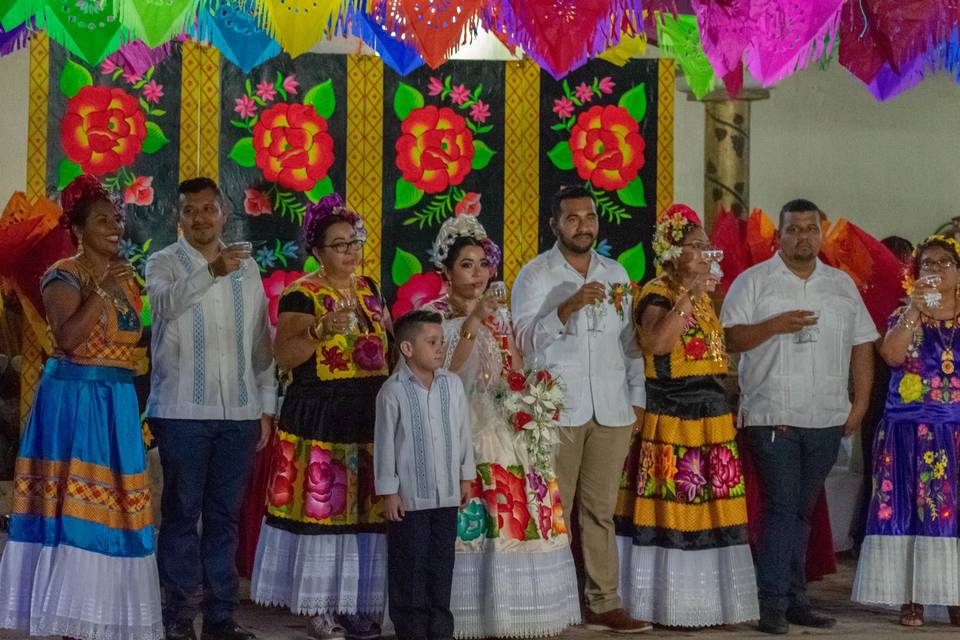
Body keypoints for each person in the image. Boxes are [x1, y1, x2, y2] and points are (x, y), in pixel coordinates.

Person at [0, 175, 162, 640]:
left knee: (117, 511)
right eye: (102, 220)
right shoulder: (63, 275)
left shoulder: (124, 275)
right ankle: (68, 615)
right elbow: (67, 339)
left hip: (114, 401)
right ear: (76, 229)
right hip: (75, 399)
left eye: (117, 219)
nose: (114, 227)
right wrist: (105, 291)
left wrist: (117, 287)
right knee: (75, 508)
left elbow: (128, 342)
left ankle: (103, 613)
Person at [721, 198, 878, 635]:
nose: (802, 236)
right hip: (773, 414)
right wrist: (773, 325)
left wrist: (860, 404)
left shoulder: (841, 285)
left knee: (802, 511)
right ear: (780, 235)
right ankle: (772, 601)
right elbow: (729, 338)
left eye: (811, 229)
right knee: (782, 506)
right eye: (793, 229)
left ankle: (794, 599)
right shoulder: (754, 282)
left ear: (821, 234)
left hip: (827, 415)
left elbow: (862, 344)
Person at [422, 216, 580, 637]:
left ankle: (512, 612)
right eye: (466, 265)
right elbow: (443, 373)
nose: (478, 274)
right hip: (462, 426)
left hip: (505, 424)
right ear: (446, 271)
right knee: (476, 520)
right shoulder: (432, 316)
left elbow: (514, 362)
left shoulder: (502, 315)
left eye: (482, 264)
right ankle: (464, 613)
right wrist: (474, 319)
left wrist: (530, 400)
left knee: (517, 515)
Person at [250, 193, 389, 640]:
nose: (350, 252)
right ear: (317, 250)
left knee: (362, 514)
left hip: (366, 413)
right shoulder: (302, 293)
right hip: (320, 414)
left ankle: (356, 605)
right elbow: (285, 356)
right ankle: (319, 607)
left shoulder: (369, 289)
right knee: (324, 511)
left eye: (354, 242)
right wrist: (317, 330)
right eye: (339, 244)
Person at [511, 185, 650, 633]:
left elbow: (630, 345)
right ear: (554, 225)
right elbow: (524, 342)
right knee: (552, 511)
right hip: (555, 410)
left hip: (610, 409)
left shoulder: (616, 275)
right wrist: (567, 308)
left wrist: (637, 400)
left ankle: (604, 602)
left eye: (589, 217)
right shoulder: (536, 276)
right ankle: (549, 602)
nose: (583, 225)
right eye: (572, 219)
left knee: (600, 511)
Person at [145, 177, 277, 640]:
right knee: (182, 514)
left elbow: (261, 341)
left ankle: (221, 617)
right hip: (181, 411)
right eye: (190, 211)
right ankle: (179, 616)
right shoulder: (162, 262)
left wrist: (265, 405)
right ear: (178, 218)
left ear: (223, 213)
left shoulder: (248, 268)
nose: (201, 218)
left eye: (208, 209)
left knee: (224, 516)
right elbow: (163, 306)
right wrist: (211, 271)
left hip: (239, 412)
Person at [619, 204, 758, 626]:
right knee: (677, 509)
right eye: (695, 247)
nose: (705, 253)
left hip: (711, 416)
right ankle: (667, 604)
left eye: (706, 246)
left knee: (713, 513)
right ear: (671, 252)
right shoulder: (659, 293)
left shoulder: (704, 298)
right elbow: (657, 345)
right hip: (674, 415)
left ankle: (710, 604)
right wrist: (689, 297)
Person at [852, 235, 960, 627]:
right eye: (926, 264)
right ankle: (909, 598)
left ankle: (953, 595)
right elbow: (892, 355)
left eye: (944, 263)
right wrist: (915, 308)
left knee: (951, 516)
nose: (935, 270)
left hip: (954, 434)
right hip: (907, 432)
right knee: (906, 514)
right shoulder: (903, 316)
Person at [374, 310, 475, 640]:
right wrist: (389, 491)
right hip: (411, 499)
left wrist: (464, 477)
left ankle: (440, 627)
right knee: (410, 565)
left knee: (441, 563)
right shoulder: (393, 391)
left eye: (442, 342)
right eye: (431, 342)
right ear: (406, 348)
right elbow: (385, 444)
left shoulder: (452, 385)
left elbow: (462, 435)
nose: (439, 348)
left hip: (445, 494)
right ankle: (411, 628)